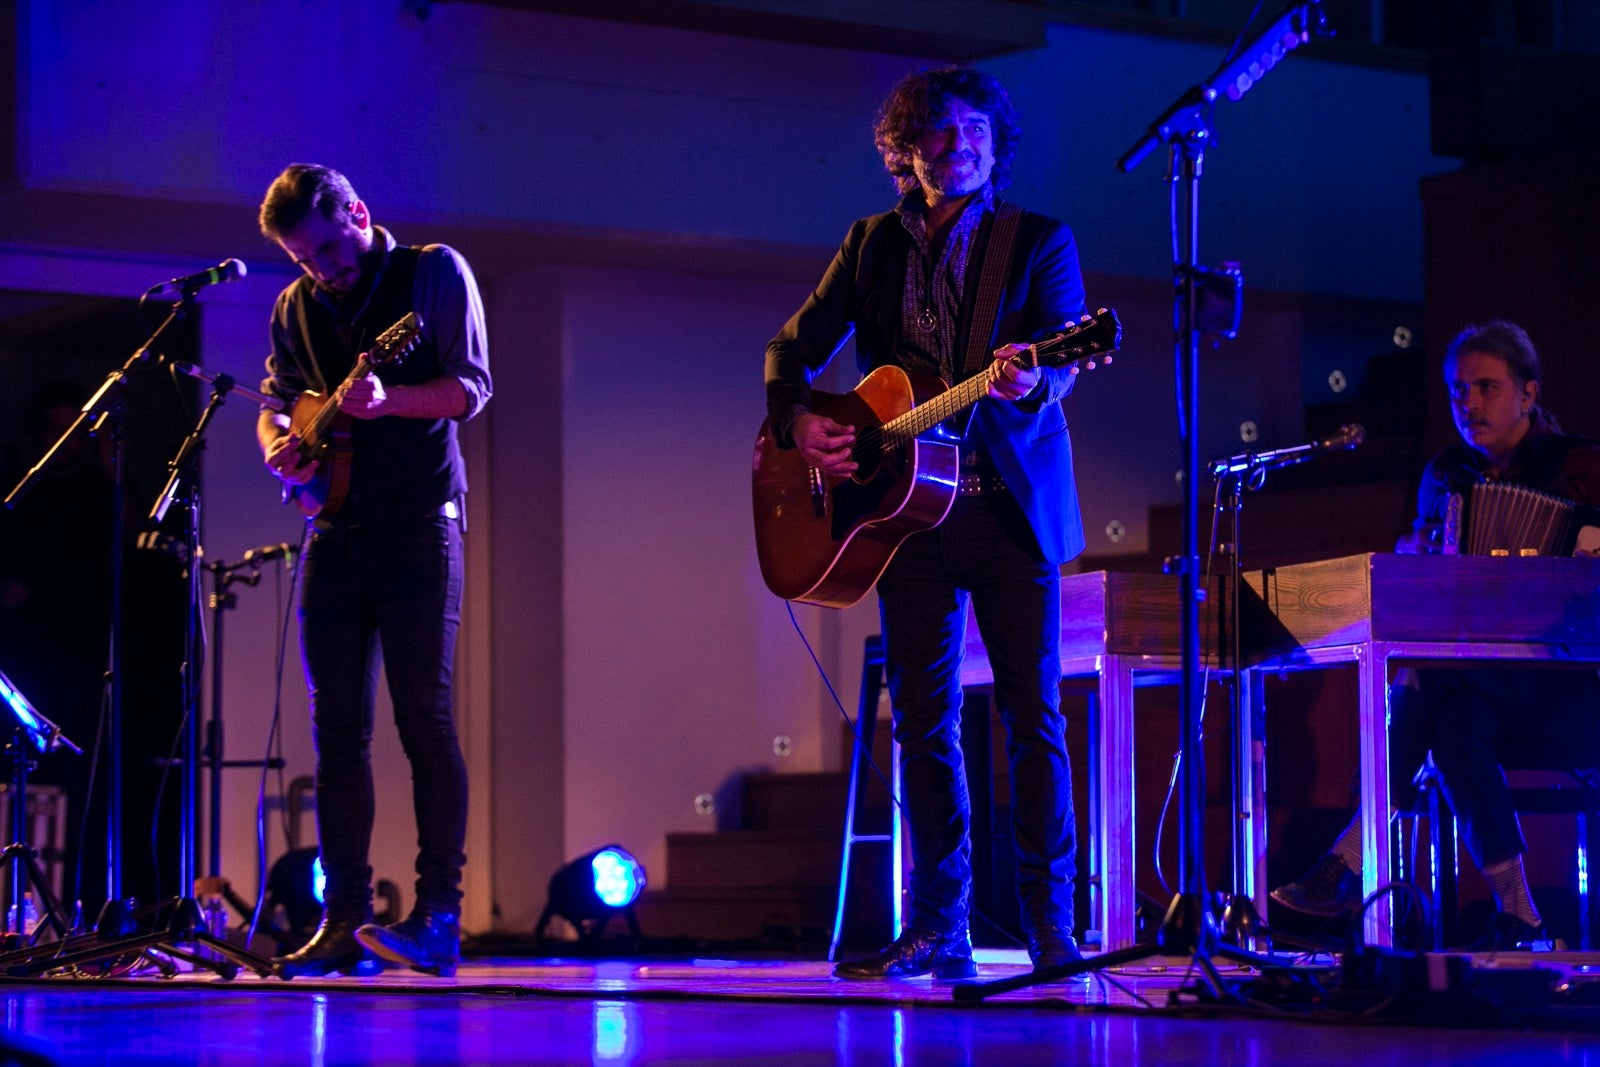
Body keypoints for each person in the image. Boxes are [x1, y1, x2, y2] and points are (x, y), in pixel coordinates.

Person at [765, 66, 1091, 978]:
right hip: (906, 517)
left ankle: (1051, 927)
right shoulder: (869, 243)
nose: (962, 146)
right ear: (904, 151)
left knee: (1034, 718)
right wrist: (798, 421)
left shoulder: (1038, 239)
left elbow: (1065, 357)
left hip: (1008, 510)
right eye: (941, 132)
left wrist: (1038, 376)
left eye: (976, 130)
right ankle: (939, 925)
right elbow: (792, 346)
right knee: (922, 721)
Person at [1271, 320, 1600, 949]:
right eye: (1457, 390)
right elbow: (1413, 577)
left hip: (1567, 689)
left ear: (1528, 393)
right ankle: (1523, 918)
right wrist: (1417, 557)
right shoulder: (1447, 473)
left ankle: (1349, 856)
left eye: (1485, 387)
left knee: (1430, 676)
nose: (1468, 403)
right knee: (1452, 725)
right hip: (1476, 690)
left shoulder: (1580, 468)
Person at [256, 164, 491, 977]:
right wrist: (280, 447)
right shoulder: (294, 306)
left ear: (357, 212)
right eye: (302, 258)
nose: (321, 268)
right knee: (335, 730)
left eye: (327, 248)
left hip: (421, 524)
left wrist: (391, 400)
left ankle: (438, 917)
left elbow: (471, 388)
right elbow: (276, 402)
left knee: (424, 717)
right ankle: (343, 921)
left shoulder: (431, 272)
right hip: (334, 528)